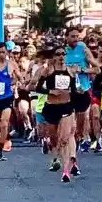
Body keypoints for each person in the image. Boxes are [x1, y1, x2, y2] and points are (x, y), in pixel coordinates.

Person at [36, 47, 77, 183]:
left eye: (63, 54)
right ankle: (54, 155)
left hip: (66, 106)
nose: (61, 56)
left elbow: (74, 90)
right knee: (54, 139)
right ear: (53, 56)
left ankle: (66, 171)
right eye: (58, 54)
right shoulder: (48, 71)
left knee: (65, 138)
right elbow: (37, 88)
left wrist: (78, 92)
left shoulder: (70, 70)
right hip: (51, 107)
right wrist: (50, 91)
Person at [64, 27, 99, 155]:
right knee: (70, 121)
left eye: (77, 37)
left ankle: (80, 137)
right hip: (67, 90)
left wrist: (81, 70)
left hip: (83, 88)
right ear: (66, 37)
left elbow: (97, 69)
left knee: (83, 118)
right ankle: (72, 142)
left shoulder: (83, 48)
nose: (76, 39)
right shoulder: (62, 52)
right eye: (72, 37)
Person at [0, 42, 20, 162]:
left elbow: (19, 77)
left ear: (6, 52)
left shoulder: (11, 64)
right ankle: (1, 136)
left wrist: (13, 82)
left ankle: (0, 150)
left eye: (2, 52)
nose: (0, 54)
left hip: (7, 97)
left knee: (4, 123)